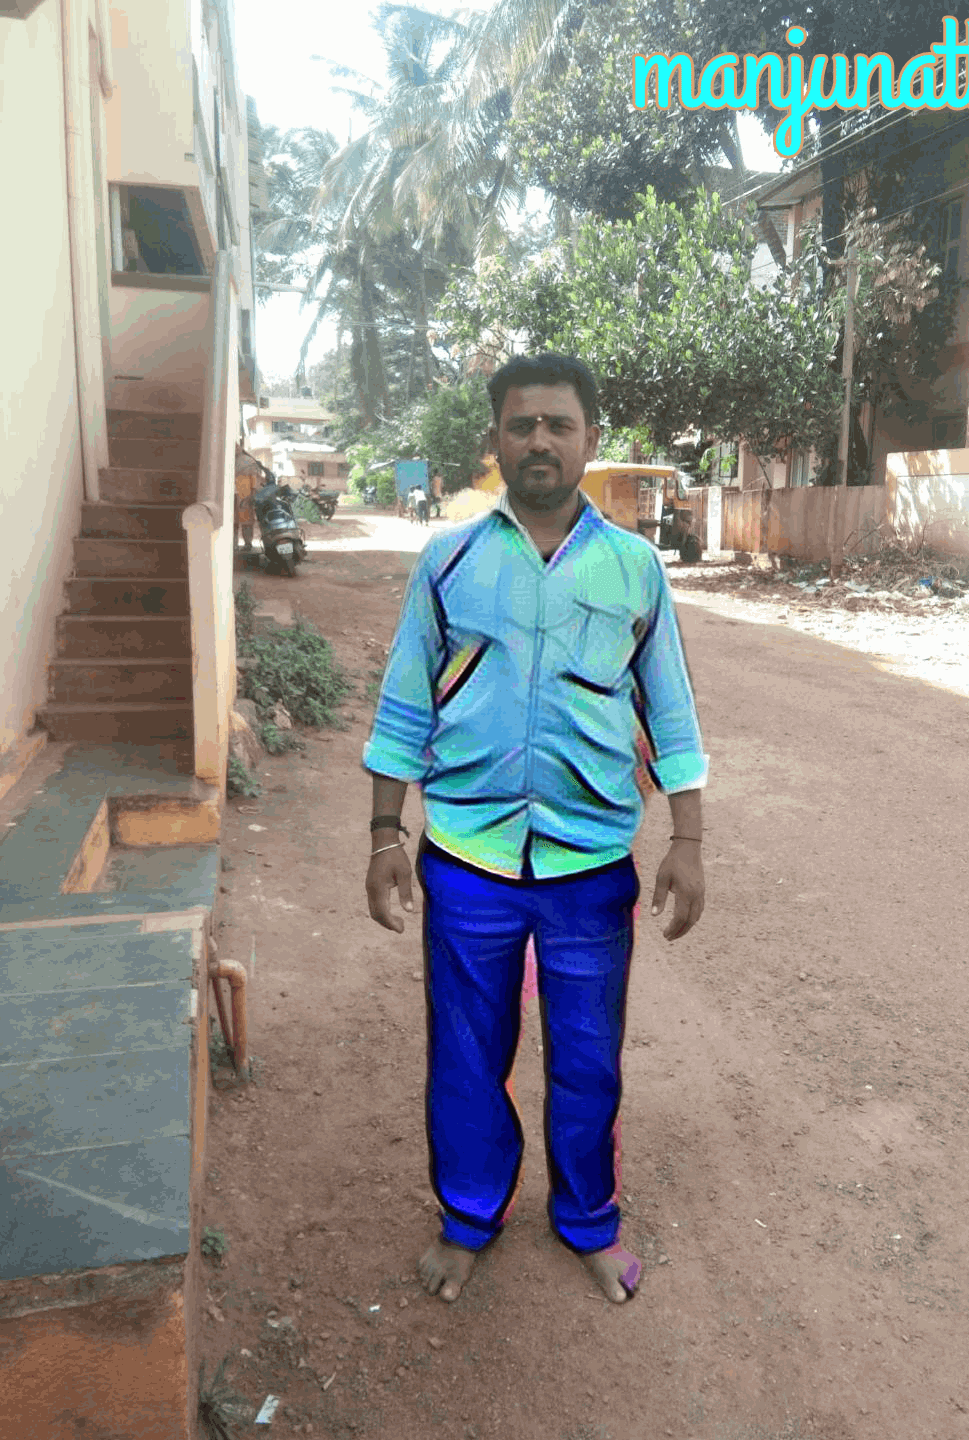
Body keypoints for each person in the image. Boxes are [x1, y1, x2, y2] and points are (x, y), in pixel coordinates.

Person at [363, 353, 708, 1307]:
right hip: (467, 856)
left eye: (560, 424)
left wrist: (688, 840)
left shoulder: (634, 567)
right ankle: (469, 1218)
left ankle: (588, 1220)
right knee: (466, 1056)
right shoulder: (449, 562)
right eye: (523, 425)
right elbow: (404, 705)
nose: (541, 441)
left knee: (589, 1059)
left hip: (591, 862)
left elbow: (670, 710)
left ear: (591, 439)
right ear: (497, 441)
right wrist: (386, 834)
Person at [234, 444, 260, 551]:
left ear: (240, 448)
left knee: (247, 521)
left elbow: (254, 480)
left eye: (236, 447)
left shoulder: (249, 461)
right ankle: (233, 544)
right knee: (232, 521)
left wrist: (252, 494)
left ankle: (248, 543)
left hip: (245, 495)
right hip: (230, 496)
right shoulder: (226, 460)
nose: (235, 449)